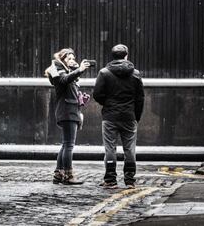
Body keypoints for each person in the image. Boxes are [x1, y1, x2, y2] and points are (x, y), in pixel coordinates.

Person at [92, 44, 145, 189]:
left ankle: (110, 180)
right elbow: (140, 98)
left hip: (110, 116)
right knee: (130, 149)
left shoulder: (104, 73)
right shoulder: (135, 74)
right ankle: (129, 181)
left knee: (110, 148)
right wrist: (136, 116)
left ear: (113, 56)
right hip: (129, 116)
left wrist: (107, 104)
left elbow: (97, 94)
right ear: (126, 55)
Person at [46, 48, 92, 185]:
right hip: (67, 112)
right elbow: (64, 80)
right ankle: (68, 175)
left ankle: (59, 173)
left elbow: (69, 82)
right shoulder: (58, 71)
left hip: (68, 111)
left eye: (73, 58)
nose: (72, 60)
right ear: (62, 60)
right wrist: (79, 70)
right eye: (69, 59)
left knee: (65, 144)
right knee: (69, 145)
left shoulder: (66, 73)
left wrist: (80, 98)